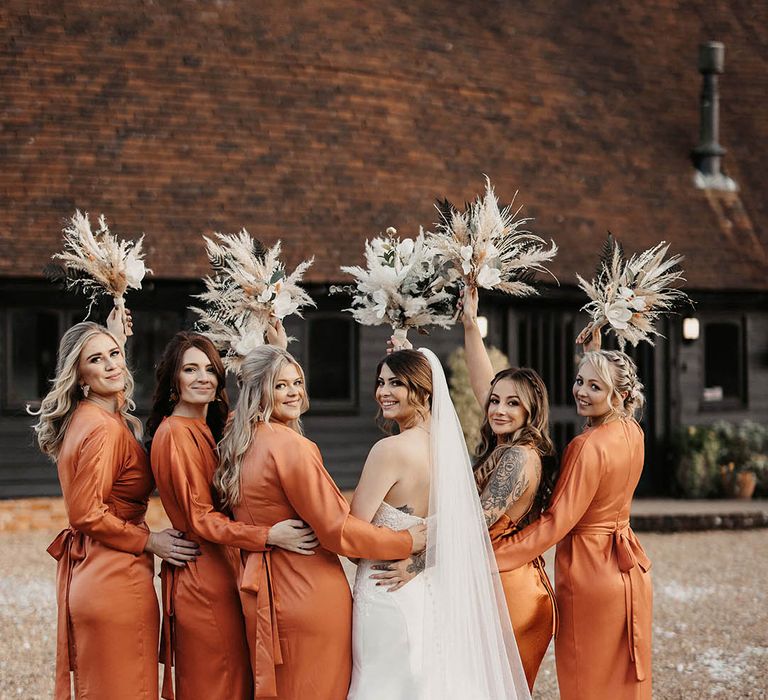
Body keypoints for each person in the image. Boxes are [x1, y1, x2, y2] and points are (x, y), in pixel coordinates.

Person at [214, 344, 427, 700]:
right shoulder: (292, 447)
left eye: (297, 382)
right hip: (306, 589)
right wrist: (406, 542)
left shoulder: (240, 438)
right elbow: (336, 529)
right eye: (280, 385)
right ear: (259, 390)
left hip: (265, 587)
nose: (294, 391)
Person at [372, 287, 557, 691]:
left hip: (510, 592)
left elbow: (472, 526)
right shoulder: (504, 443)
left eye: (512, 404)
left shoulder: (518, 458)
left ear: (530, 411)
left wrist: (416, 564)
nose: (498, 409)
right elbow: (481, 382)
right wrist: (469, 325)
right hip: (484, 577)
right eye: (495, 401)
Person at [30, 318, 198, 700]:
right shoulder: (103, 429)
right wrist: (151, 540)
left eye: (116, 354)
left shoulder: (92, 416)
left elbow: (112, 384)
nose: (112, 365)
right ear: (80, 376)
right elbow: (86, 513)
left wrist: (113, 332)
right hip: (115, 580)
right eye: (97, 360)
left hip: (97, 571)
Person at [146, 331, 318, 700]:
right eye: (190, 369)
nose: (203, 377)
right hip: (203, 578)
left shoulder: (208, 428)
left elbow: (256, 411)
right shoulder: (174, 434)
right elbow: (200, 519)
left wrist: (278, 358)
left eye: (210, 369)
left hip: (226, 569)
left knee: (237, 680)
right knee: (219, 683)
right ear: (173, 379)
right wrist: (268, 536)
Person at [352, 346, 531, 700]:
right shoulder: (450, 451)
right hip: (429, 586)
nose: (383, 392)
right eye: (381, 382)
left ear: (423, 391)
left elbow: (352, 531)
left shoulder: (388, 451)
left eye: (396, 383)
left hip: (385, 585)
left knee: (383, 683)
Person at [493, 330, 653, 700]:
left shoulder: (585, 446)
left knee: (585, 679)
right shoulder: (633, 431)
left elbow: (555, 522)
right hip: (627, 569)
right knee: (619, 680)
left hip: (589, 571)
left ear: (620, 395)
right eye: (579, 381)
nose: (581, 391)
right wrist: (594, 356)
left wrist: (495, 556)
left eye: (594, 387)